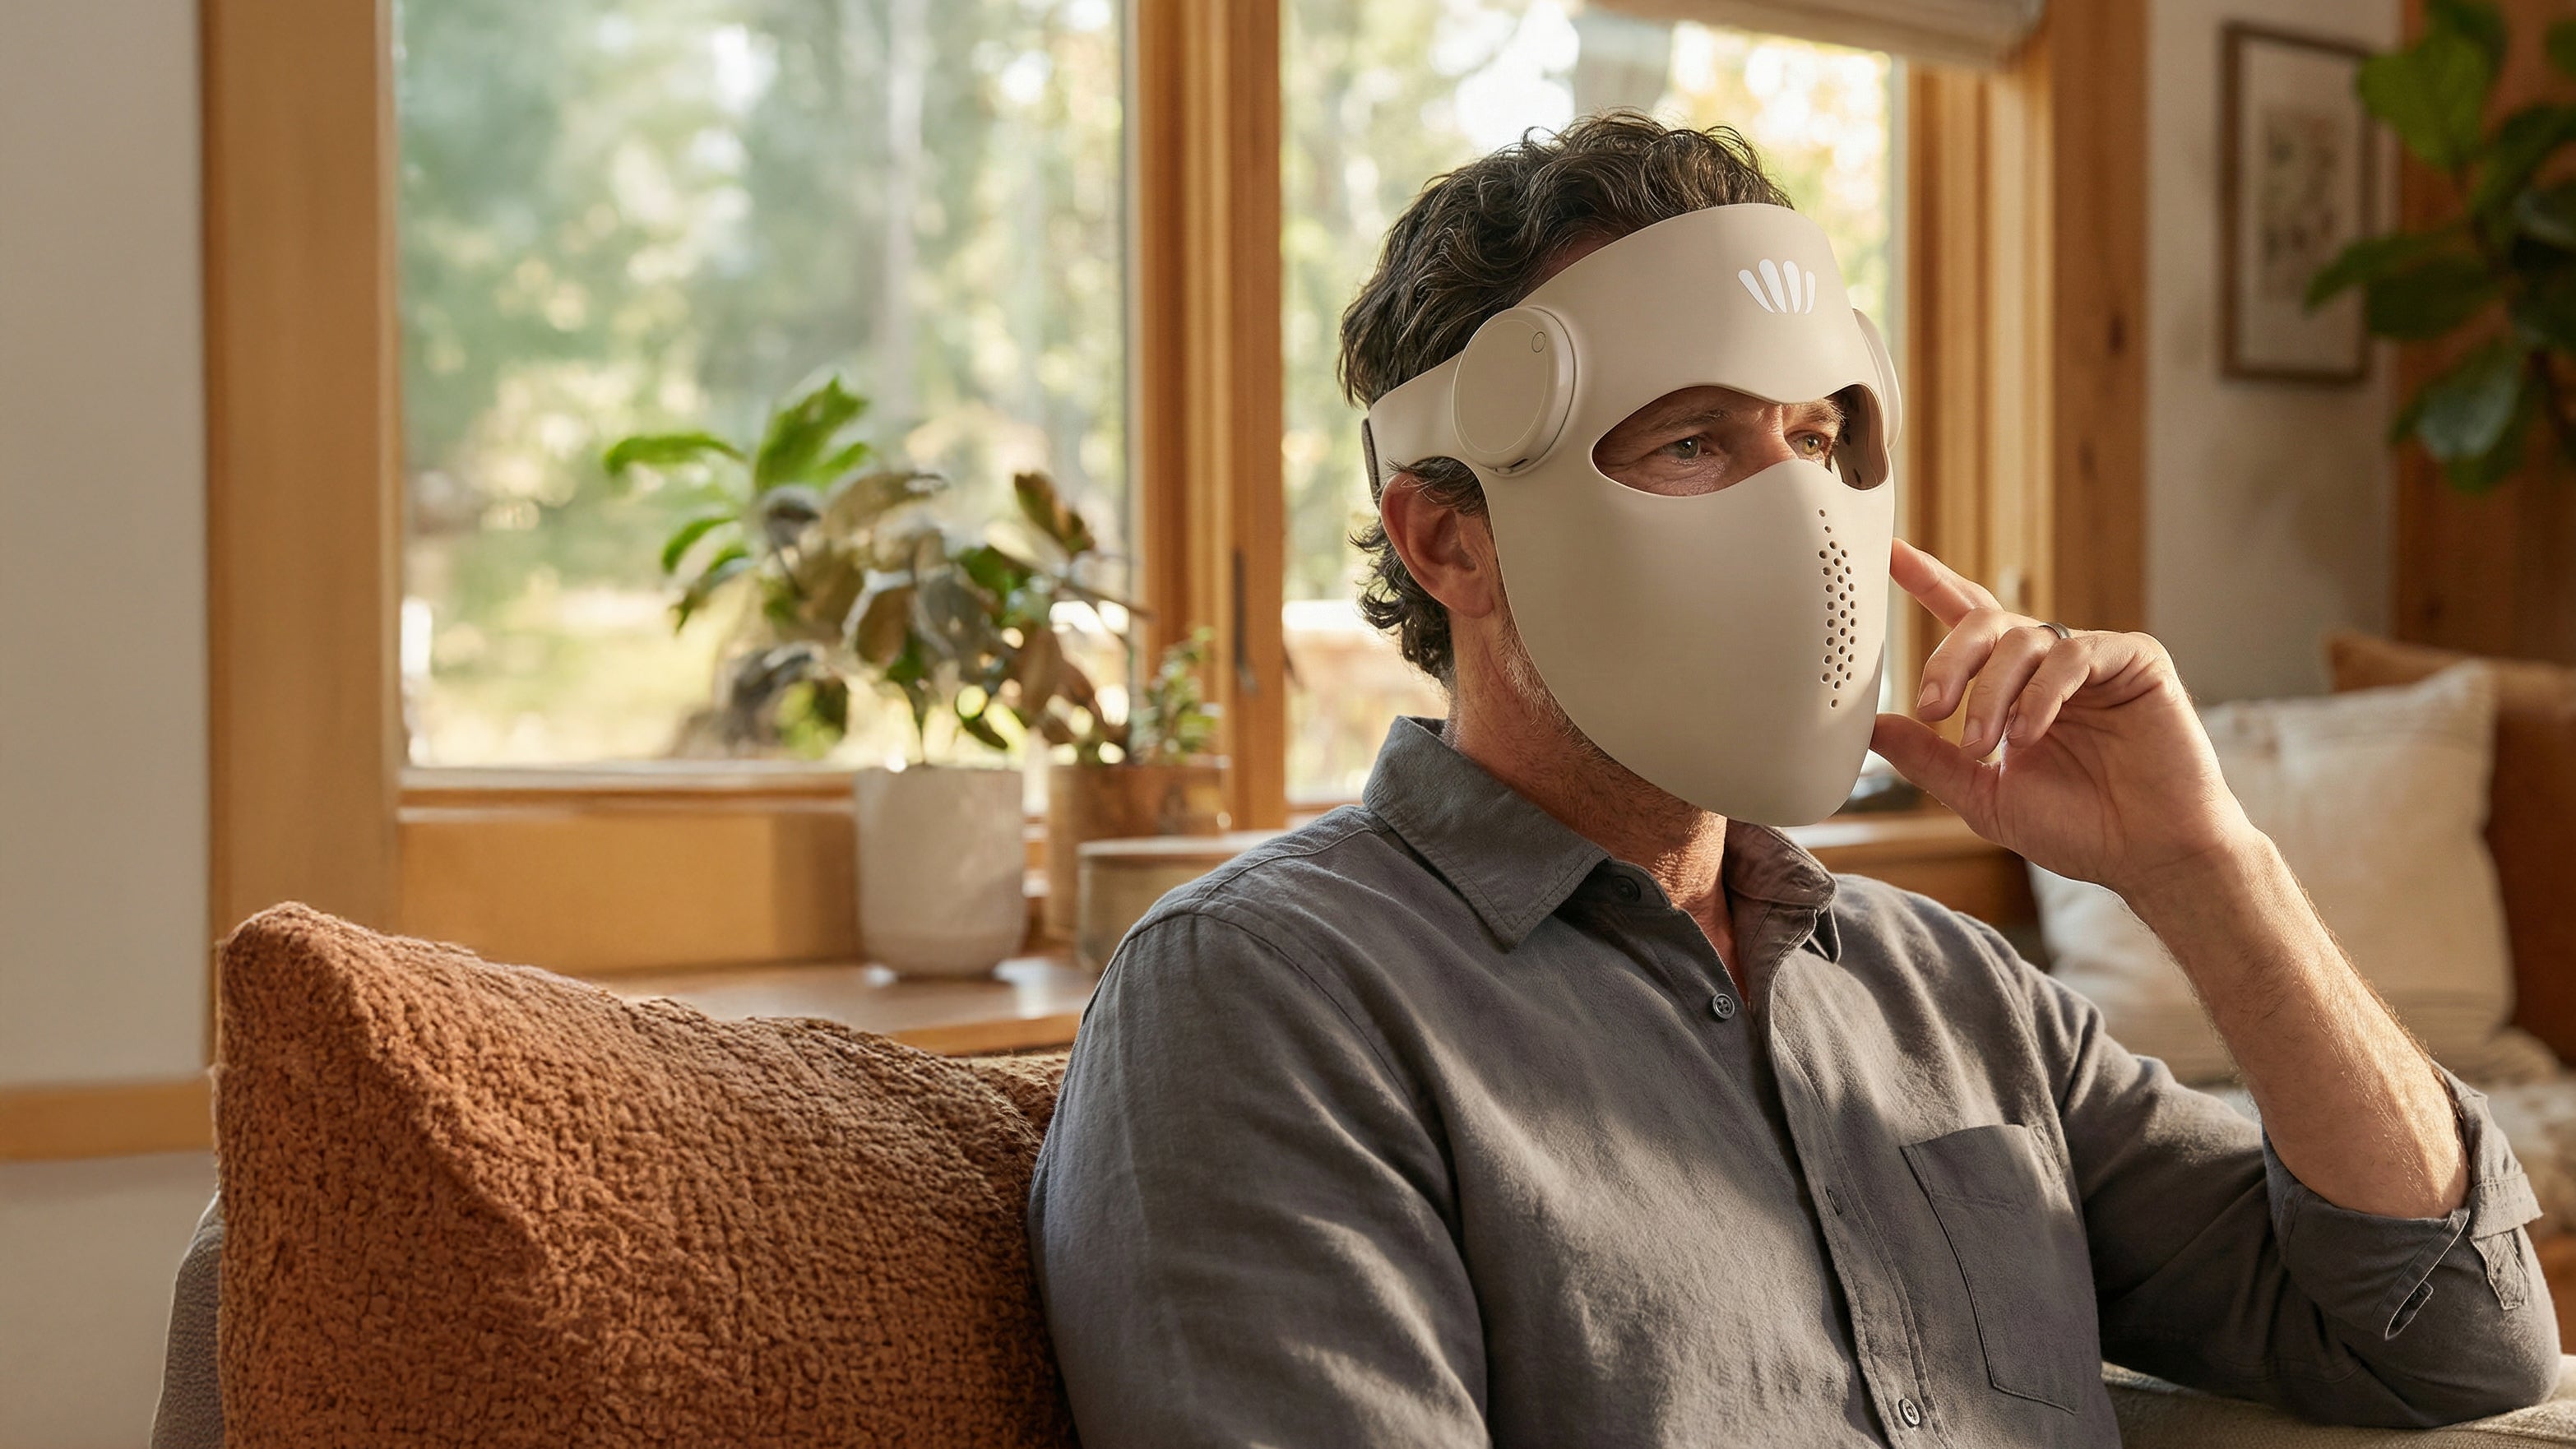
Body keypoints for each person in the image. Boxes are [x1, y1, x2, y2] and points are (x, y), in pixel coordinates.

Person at [1027, 113, 2557, 1447]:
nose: (1802, 518)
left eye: (1822, 441)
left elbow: (2454, 1339)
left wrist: (2208, 867)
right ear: (1449, 537)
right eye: (1695, 442)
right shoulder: (1261, 999)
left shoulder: (1952, 995)